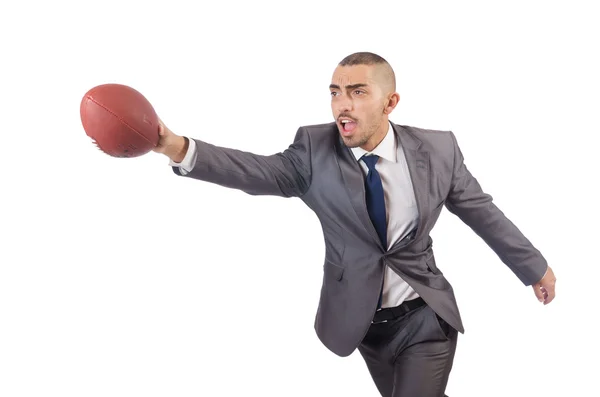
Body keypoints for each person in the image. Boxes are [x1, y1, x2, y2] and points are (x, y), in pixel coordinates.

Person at [152, 52, 557, 397]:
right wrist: (176, 146)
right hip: (364, 324)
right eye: (335, 93)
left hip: (425, 319)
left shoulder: (437, 150)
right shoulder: (314, 150)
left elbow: (480, 210)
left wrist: (533, 266)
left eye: (357, 92)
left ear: (390, 102)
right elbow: (255, 171)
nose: (341, 105)